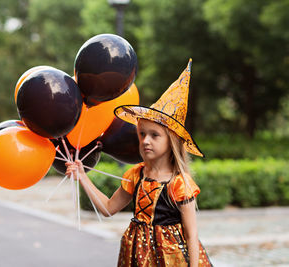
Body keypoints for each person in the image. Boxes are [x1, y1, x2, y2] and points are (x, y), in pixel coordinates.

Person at [66, 59, 212, 266]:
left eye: (154, 135)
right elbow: (108, 208)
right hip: (137, 257)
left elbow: (191, 235)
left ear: (171, 142)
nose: (145, 140)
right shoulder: (136, 175)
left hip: (172, 259)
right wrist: (82, 176)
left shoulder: (180, 184)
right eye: (142, 134)